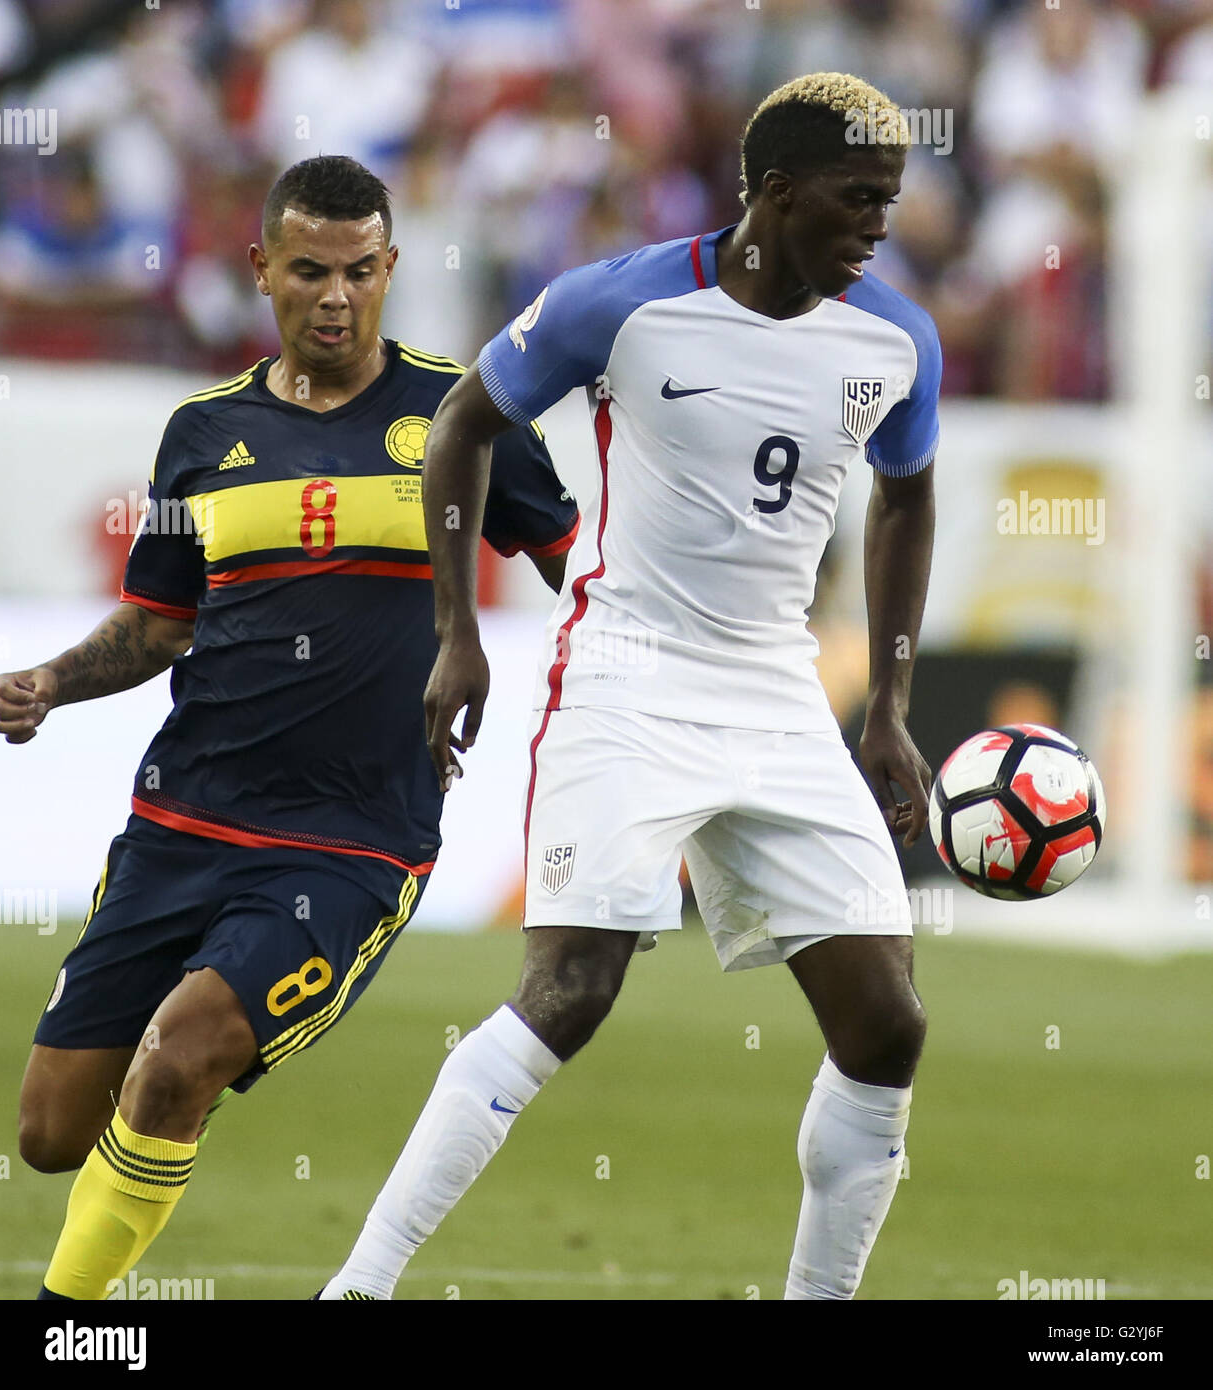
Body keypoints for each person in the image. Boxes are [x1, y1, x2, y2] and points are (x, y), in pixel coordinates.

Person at [320, 71, 938, 1302]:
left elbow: (907, 496)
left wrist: (888, 708)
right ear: (775, 192)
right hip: (628, 675)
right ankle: (362, 1284)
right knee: (570, 989)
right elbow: (459, 426)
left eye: (892, 202)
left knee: (889, 1027)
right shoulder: (626, 300)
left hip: (776, 686)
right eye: (859, 200)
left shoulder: (894, 338)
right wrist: (458, 632)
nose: (881, 227)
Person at [0, 154, 578, 1301]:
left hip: (351, 837)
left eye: (361, 272)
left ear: (393, 268)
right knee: (52, 1131)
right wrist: (51, 682)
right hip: (183, 817)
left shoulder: (467, 418)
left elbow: (595, 579)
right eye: (309, 270)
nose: (336, 296)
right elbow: (158, 625)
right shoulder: (201, 433)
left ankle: (64, 1323)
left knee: (177, 1061)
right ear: (261, 268)